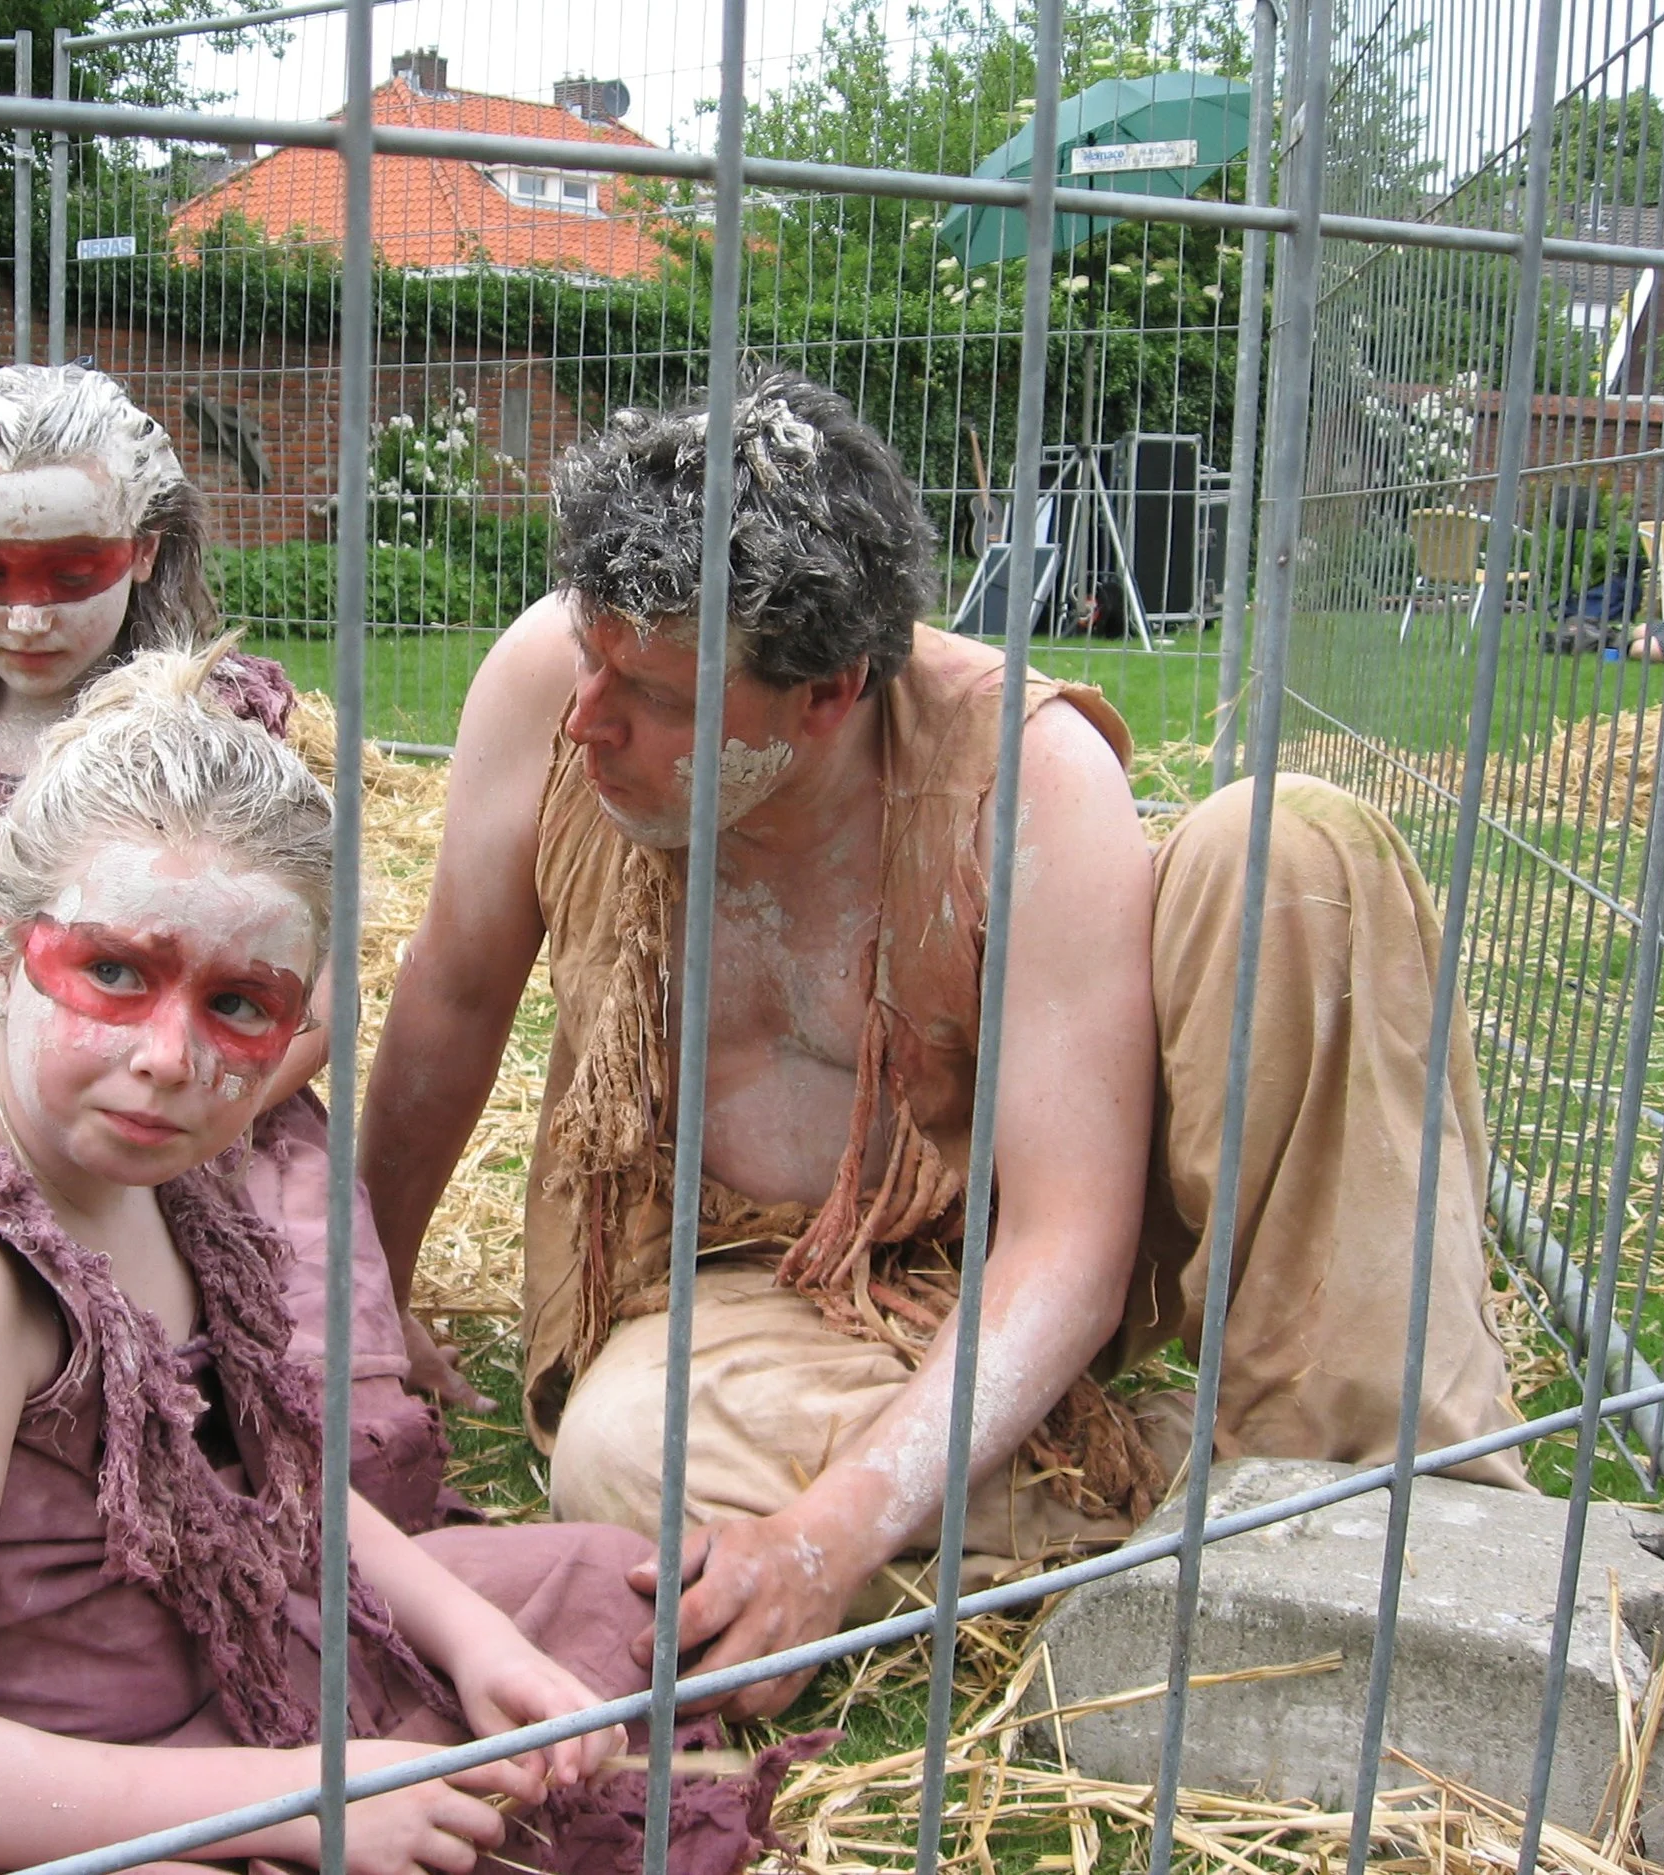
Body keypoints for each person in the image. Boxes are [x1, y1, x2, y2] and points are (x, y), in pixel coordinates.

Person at [358, 368, 1528, 1720]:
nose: (587, 720)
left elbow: (1068, 1244)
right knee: (628, 1463)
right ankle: (1193, 1495)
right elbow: (447, 995)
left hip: (1020, 1258)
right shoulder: (545, 684)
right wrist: (363, 1309)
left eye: (659, 694)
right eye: (592, 655)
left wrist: (832, 1533)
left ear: (829, 691)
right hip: (749, 1293)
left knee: (1294, 848)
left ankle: (1385, 1498)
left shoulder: (1027, 775)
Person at [0, 643, 658, 1874]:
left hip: (202, 1666)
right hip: (6, 1814)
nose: (168, 1057)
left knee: (616, 1593)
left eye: (238, 1005)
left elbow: (271, 1476)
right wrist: (313, 1802)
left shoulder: (163, 1176)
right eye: (112, 973)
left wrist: (476, 1641)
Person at [0, 364, 452, 1531]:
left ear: (149, 552)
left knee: (327, 1441)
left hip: (218, 1124)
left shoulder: (217, 735)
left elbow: (314, 1002)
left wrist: (201, 1115)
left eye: (75, 575)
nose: (27, 616)